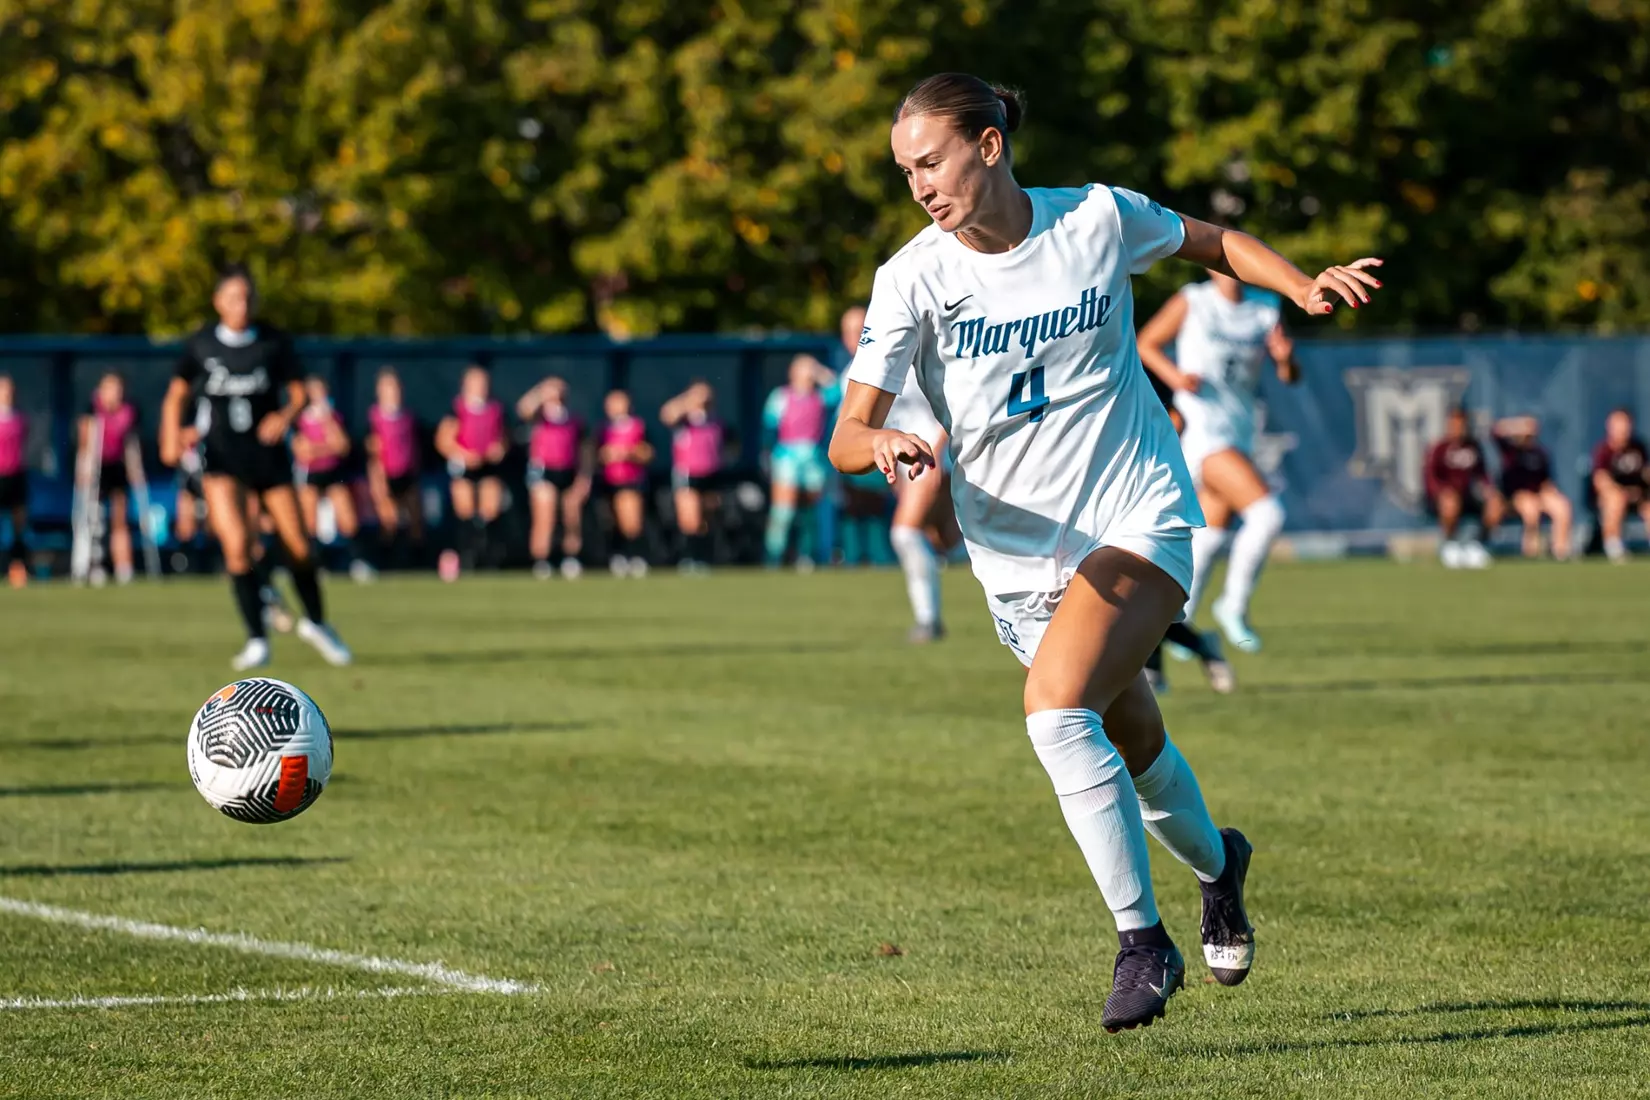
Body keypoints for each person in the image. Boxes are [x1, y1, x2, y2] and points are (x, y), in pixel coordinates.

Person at [829, 73, 1383, 1031]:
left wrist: (1300, 281)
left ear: (990, 146)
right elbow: (846, 431)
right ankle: (1221, 868)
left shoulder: (1095, 217)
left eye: (930, 161)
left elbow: (1212, 244)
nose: (917, 183)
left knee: (1053, 713)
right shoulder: (910, 277)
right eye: (904, 170)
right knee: (1133, 742)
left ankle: (1143, 943)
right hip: (1014, 559)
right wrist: (877, 443)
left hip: (1138, 514)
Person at [159, 265, 351, 669]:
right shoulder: (201, 345)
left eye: (247, 298)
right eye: (232, 298)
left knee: (299, 545)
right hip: (223, 458)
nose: (241, 305)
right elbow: (175, 396)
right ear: (218, 302)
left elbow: (300, 392)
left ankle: (317, 622)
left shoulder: (273, 342)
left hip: (269, 458)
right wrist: (170, 436)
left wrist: (285, 415)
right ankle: (257, 639)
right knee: (236, 549)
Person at [1137, 271, 1296, 653]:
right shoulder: (1195, 300)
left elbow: (1290, 375)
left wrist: (1286, 360)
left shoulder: (1265, 308)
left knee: (1211, 532)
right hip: (1204, 432)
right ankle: (1233, 605)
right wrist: (1176, 377)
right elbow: (1147, 343)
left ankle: (1180, 619)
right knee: (1268, 515)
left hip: (1240, 430)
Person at [1141, 368, 1236, 695]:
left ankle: (1154, 669)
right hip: (1109, 490)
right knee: (1133, 592)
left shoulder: (1129, 359)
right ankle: (1195, 647)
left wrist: (1154, 448)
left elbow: (1176, 415)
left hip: (1148, 487)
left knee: (1140, 584)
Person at [835, 306, 897, 568]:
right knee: (854, 510)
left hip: (890, 452)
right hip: (858, 453)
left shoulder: (890, 366)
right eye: (849, 332)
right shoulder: (845, 374)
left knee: (881, 514)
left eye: (860, 330)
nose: (855, 337)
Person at [293, 375, 372, 582]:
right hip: (310, 475)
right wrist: (327, 448)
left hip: (334, 473)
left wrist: (327, 424)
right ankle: (314, 565)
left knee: (348, 520)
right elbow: (303, 451)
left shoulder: (333, 418)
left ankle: (359, 562)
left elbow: (342, 446)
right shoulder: (299, 420)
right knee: (309, 522)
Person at [763, 355, 837, 571]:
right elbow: (768, 429)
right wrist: (767, 458)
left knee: (810, 512)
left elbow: (838, 391)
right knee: (783, 511)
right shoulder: (780, 397)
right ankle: (773, 558)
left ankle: (806, 556)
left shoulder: (821, 397)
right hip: (787, 458)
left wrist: (819, 371)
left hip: (813, 459)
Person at [435, 365, 508, 577]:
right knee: (465, 509)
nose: (480, 387)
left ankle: (489, 557)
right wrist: (465, 455)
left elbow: (503, 438)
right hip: (464, 466)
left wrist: (498, 449)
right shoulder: (456, 409)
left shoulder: (496, 409)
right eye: (476, 383)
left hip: (488, 467)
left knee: (490, 509)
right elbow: (442, 440)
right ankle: (465, 557)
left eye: (484, 383)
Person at [518, 376, 591, 579]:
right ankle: (542, 560)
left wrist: (584, 476)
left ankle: (571, 557)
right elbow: (523, 409)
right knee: (545, 517)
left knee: (572, 516)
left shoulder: (574, 420)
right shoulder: (540, 417)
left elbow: (585, 450)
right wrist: (541, 391)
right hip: (543, 472)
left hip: (568, 471)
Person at [77, 371, 140, 585]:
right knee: (94, 520)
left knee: (119, 520)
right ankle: (94, 565)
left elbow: (131, 443)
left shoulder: (128, 410)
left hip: (116, 468)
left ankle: (124, 567)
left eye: (118, 388)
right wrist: (84, 470)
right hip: (96, 467)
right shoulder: (92, 409)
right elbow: (84, 441)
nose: (116, 393)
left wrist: (134, 470)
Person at [1424, 408, 1503, 569]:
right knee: (1450, 502)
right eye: (1454, 423)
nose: (1458, 427)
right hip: (1445, 498)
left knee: (1496, 503)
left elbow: (1482, 475)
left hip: (1469, 496)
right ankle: (1449, 545)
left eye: (1461, 423)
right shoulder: (1439, 448)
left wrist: (1488, 490)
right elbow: (1430, 478)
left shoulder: (1473, 447)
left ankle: (1478, 545)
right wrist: (1441, 493)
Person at [662, 381, 724, 573]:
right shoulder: (683, 420)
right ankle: (688, 558)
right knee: (690, 519)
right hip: (688, 474)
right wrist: (688, 400)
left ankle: (703, 558)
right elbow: (667, 414)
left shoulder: (715, 421)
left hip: (711, 474)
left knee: (706, 520)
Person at [365, 367, 424, 570]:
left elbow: (414, 449)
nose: (393, 392)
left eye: (396, 387)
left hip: (407, 475)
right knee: (388, 521)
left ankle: (415, 564)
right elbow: (373, 452)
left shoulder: (408, 417)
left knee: (416, 521)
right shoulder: (373, 418)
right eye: (388, 387)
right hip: (384, 475)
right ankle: (383, 564)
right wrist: (378, 481)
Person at [1492, 415, 1573, 560]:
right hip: (1516, 498)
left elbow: (1545, 480)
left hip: (1540, 494)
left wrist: (1550, 491)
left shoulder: (1539, 453)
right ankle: (1531, 551)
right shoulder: (1511, 451)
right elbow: (1495, 431)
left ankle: (1560, 551)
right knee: (1531, 508)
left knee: (1562, 506)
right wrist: (1519, 426)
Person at [597, 389, 653, 576]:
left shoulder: (639, 426)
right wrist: (606, 454)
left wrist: (629, 453)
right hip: (607, 481)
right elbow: (593, 454)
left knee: (631, 521)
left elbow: (648, 452)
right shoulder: (603, 429)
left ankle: (636, 556)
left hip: (630, 479)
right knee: (611, 521)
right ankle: (617, 556)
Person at [0, 375, 28, 588]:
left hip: (16, 478)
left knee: (18, 526)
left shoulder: (20, 418)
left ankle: (17, 569)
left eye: (9, 389)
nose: (6, 393)